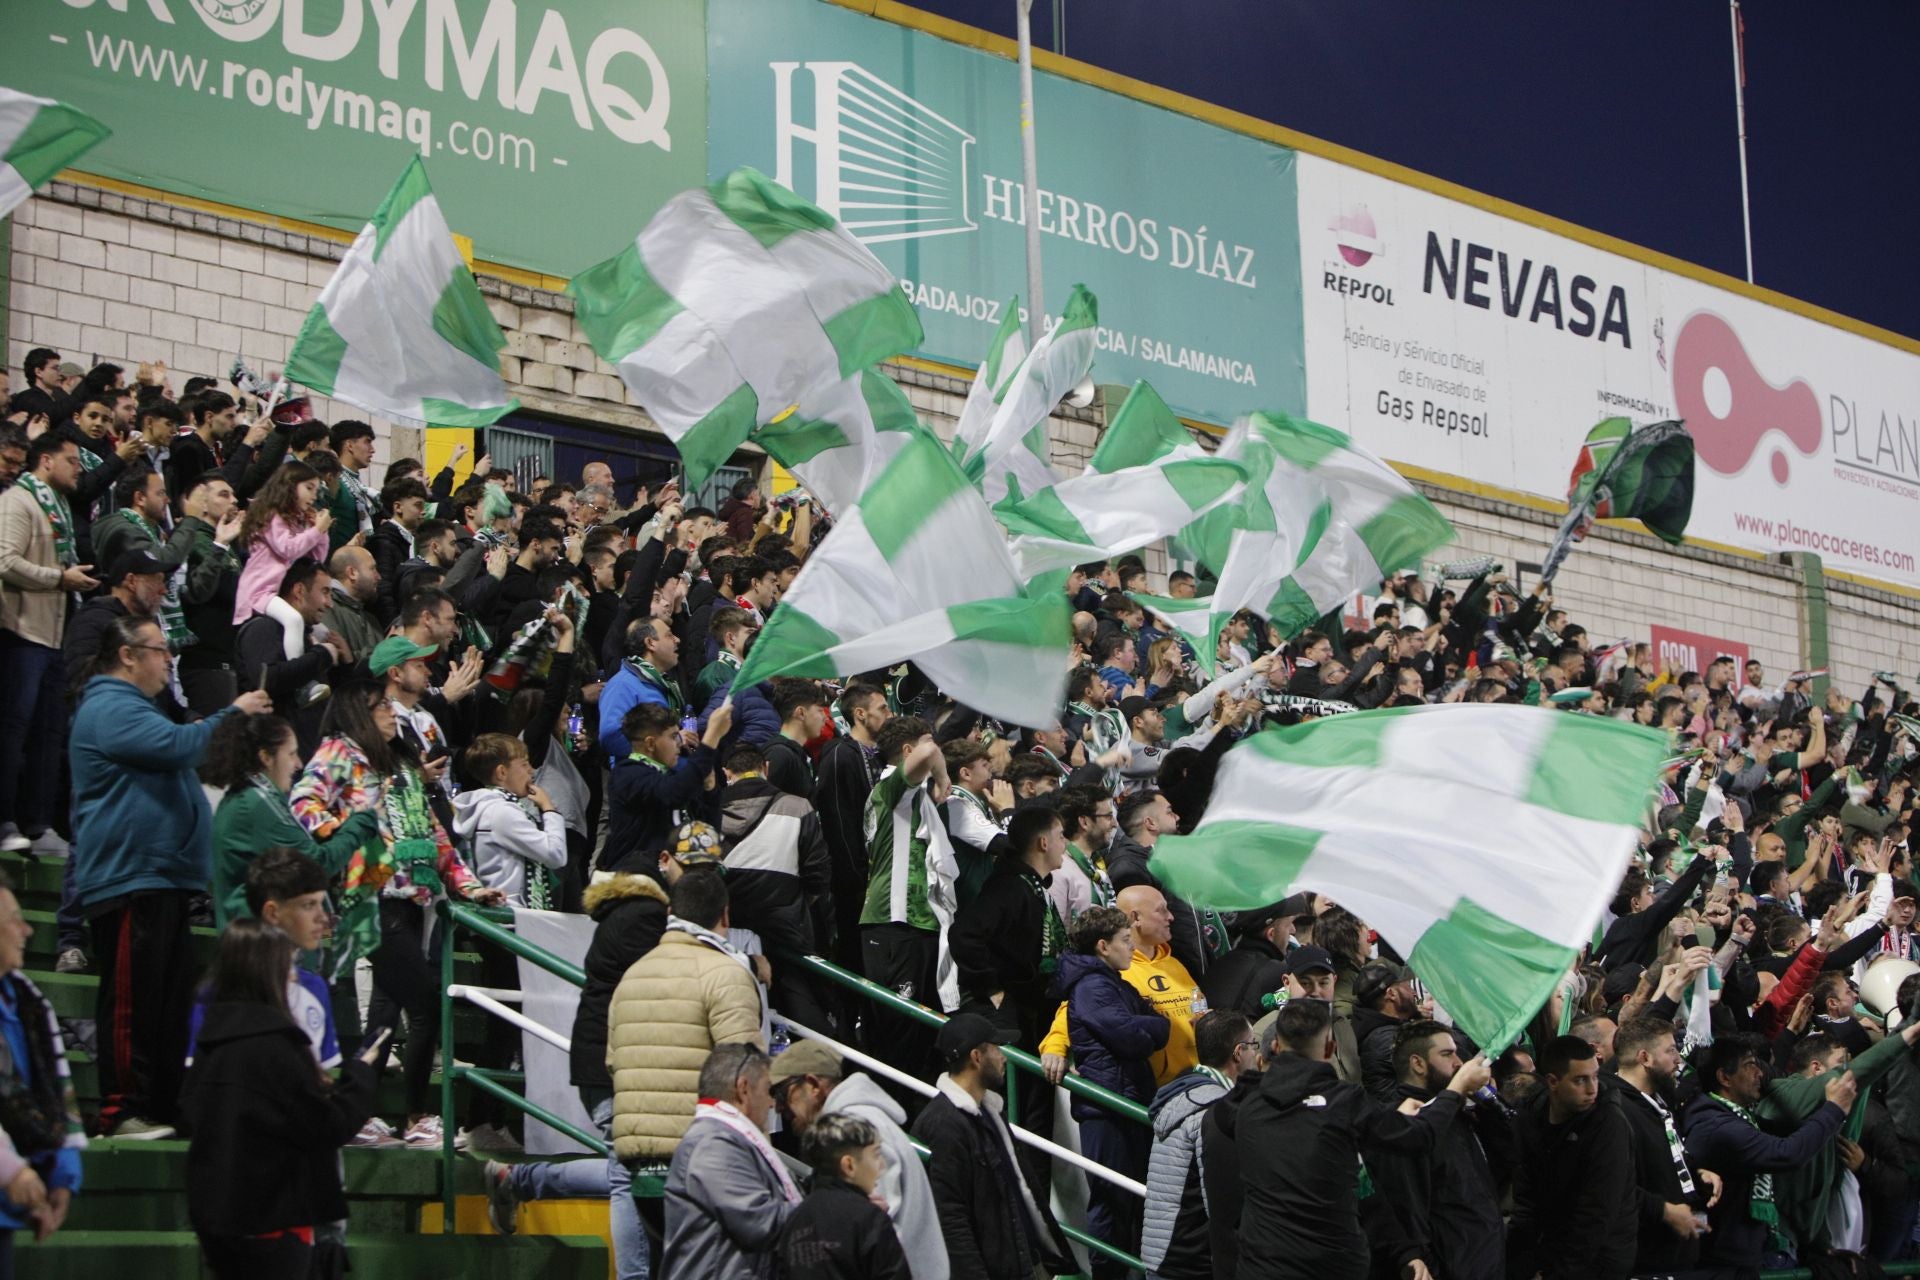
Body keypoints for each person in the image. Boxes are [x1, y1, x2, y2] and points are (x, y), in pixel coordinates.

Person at [69, 616, 272, 1138]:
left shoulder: (138, 708)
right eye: (160, 650)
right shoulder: (109, 705)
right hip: (128, 874)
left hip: (161, 877)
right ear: (128, 655)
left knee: (165, 1003)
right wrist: (234, 711)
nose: (169, 659)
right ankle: (120, 1108)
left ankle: (159, 1104)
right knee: (133, 1000)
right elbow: (182, 747)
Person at [291, 679, 502, 1147]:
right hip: (371, 897)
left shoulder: (402, 763)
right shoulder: (338, 752)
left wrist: (469, 886)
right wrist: (352, 841)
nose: (390, 711)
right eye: (380, 705)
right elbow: (303, 803)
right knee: (426, 1000)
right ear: (357, 714)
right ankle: (412, 1113)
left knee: (388, 1010)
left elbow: (436, 835)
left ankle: (364, 1112)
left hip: (415, 898)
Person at [181, 919, 385, 1279]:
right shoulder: (277, 1046)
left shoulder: (211, 1042)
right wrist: (361, 1075)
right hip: (274, 1222)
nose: (293, 976)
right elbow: (326, 1124)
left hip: (214, 1222)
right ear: (267, 972)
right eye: (286, 965)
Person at [1235, 997, 1489, 1280]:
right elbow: (1421, 1136)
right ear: (1331, 1047)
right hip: (1330, 1266)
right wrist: (1456, 1088)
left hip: (1260, 1265)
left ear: (1275, 1046)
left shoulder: (1246, 1107)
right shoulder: (1344, 1104)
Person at [609, 869, 767, 1162]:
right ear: (726, 916)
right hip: (702, 1156)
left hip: (636, 1158)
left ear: (670, 913)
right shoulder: (727, 975)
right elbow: (747, 1073)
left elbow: (611, 1061)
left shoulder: (632, 975)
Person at [768, 1040, 949, 1280]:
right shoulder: (854, 1126)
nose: (778, 1108)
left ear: (813, 1085)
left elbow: (878, 1236)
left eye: (782, 1093)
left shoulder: (858, 1131)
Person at [911, 1013, 1071, 1280]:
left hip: (1024, 1263)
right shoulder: (944, 1125)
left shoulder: (990, 1110)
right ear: (976, 1057)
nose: (1004, 1057)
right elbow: (952, 1218)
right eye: (996, 1049)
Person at [1055, 903, 1169, 1276]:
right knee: (1111, 1203)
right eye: (1124, 940)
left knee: (1131, 1203)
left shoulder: (1113, 983)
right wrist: (1148, 1028)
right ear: (1103, 946)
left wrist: (1148, 1027)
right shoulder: (1092, 988)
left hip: (1126, 1101)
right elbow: (1135, 1038)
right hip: (1107, 1111)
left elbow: (1159, 1022)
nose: (1132, 948)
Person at [1683, 1033, 1858, 1276]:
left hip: (1743, 1251)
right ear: (1724, 1077)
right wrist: (1833, 1110)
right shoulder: (1718, 1126)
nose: (1760, 1074)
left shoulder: (1742, 1118)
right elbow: (1786, 1154)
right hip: (1723, 1259)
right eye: (1749, 1065)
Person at [0, 433, 100, 852]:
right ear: (46, 460)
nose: (80, 469)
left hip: (54, 633)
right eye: (72, 461)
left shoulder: (55, 506)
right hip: (22, 632)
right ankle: (5, 821)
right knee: (14, 732)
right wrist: (59, 578)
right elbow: (5, 561)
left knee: (48, 734)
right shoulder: (17, 502)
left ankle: (39, 824)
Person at [1363, 1018, 1510, 1280]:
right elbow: (1409, 1214)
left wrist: (1488, 1106)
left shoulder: (1458, 1113)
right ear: (1418, 1063)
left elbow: (1507, 1161)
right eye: (1447, 1054)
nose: (1458, 1063)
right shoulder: (1402, 1125)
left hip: (1485, 1260)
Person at [203, 713, 378, 928]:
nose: (298, 764)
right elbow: (316, 865)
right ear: (266, 757)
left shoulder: (249, 799)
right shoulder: (256, 804)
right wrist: (361, 822)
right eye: (292, 754)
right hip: (259, 946)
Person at [859, 716, 958, 1075]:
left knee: (919, 1037)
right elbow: (931, 749)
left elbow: (929, 748)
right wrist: (944, 776)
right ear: (907, 751)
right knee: (898, 1037)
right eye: (926, 743)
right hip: (894, 922)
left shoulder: (911, 795)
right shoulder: (892, 788)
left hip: (917, 926)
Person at [659, 1043, 798, 1279]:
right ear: (743, 1088)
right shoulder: (713, 1143)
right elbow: (759, 1222)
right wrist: (826, 1211)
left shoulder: (724, 1138)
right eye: (768, 1090)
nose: (772, 1103)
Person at [0, 870, 82, 1266]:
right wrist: (10, 1171)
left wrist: (62, 1172)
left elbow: (54, 1092)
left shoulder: (25, 1004)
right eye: (13, 920)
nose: (27, 930)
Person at [1507, 1035, 1640, 1280]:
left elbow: (1596, 1213)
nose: (1592, 1088)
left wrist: (1559, 1274)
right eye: (1580, 1080)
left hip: (1600, 1259)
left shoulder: (1609, 1124)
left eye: (1595, 1077)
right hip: (1550, 1247)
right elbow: (1526, 1197)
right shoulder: (1531, 1118)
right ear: (1553, 1081)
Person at [1141, 1008, 1256, 1280]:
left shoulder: (1182, 1092)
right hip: (1193, 1262)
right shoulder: (1215, 1112)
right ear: (1239, 1053)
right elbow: (1219, 1202)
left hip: (1164, 1256)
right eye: (1253, 1045)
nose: (1257, 1053)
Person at [1609, 1016, 1721, 1274]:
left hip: (1674, 1255)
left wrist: (1695, 1173)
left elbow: (1665, 1154)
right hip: (1640, 1260)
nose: (1678, 1060)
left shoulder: (1659, 1101)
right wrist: (1663, 1210)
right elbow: (1611, 1185)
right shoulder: (1614, 1111)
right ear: (1645, 1058)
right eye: (1670, 1051)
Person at [600, 701, 733, 874]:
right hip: (636, 882)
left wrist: (709, 790)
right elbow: (671, 794)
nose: (680, 742)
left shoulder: (670, 777)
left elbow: (707, 831)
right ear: (650, 744)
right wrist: (711, 738)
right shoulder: (626, 774)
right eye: (673, 736)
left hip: (674, 882)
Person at [776, 1112, 912, 1280]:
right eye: (876, 1154)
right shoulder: (868, 1218)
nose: (882, 1165)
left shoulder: (795, 1218)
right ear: (849, 1165)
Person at [813, 679, 889, 977]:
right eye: (882, 708)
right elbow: (838, 824)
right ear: (860, 714)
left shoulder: (884, 755)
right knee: (855, 960)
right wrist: (857, 879)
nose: (889, 714)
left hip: (881, 878)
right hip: (854, 886)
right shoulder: (839, 754)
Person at [452, 733, 569, 909]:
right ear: (502, 772)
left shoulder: (491, 807)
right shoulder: (502, 812)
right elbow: (555, 855)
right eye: (524, 764)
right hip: (511, 914)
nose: (531, 770)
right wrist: (549, 809)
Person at [231, 460, 331, 624]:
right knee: (294, 620)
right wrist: (316, 530)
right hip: (259, 592)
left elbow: (315, 559)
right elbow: (288, 549)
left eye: (316, 490)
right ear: (290, 485)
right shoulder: (271, 516)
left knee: (319, 632)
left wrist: (321, 532)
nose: (314, 496)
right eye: (309, 488)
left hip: (280, 592)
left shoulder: (296, 521)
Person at [1201, 896, 1309, 1017]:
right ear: (1271, 934)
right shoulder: (1277, 974)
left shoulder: (1220, 963)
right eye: (1289, 924)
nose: (1293, 930)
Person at [318, 545, 383, 664]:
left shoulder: (371, 620)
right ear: (352, 573)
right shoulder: (326, 609)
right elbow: (337, 658)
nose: (379, 577)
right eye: (372, 568)